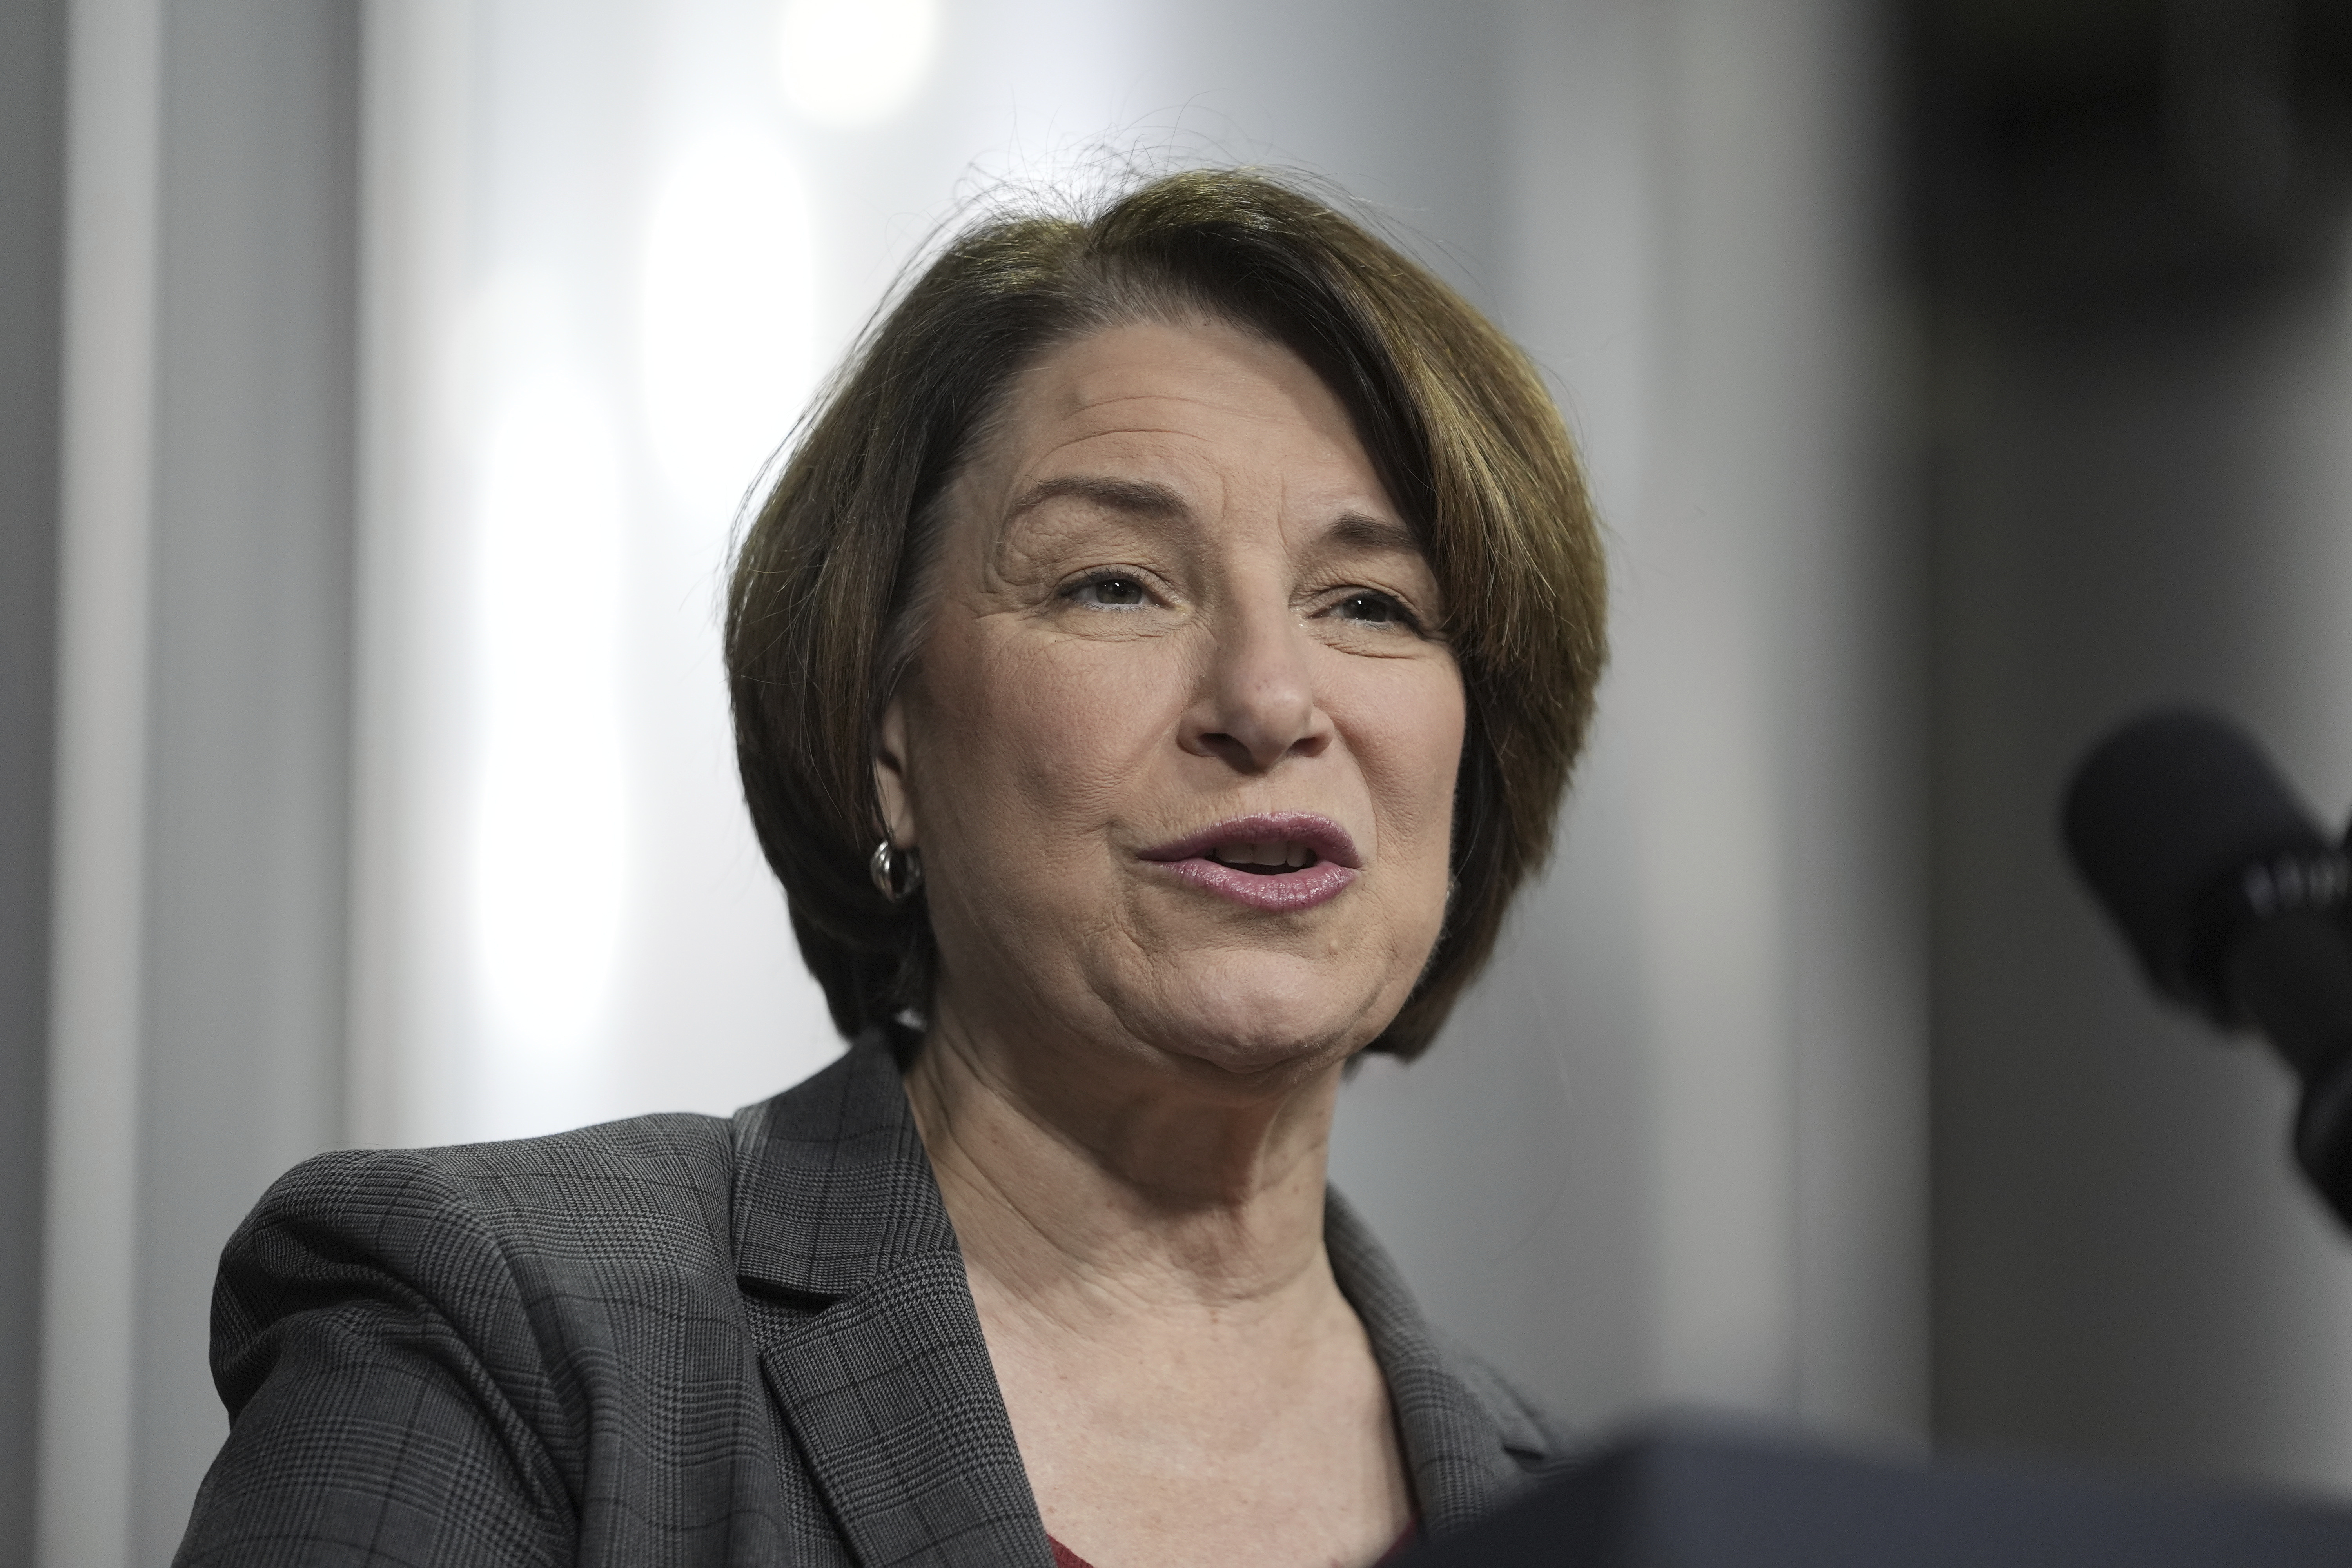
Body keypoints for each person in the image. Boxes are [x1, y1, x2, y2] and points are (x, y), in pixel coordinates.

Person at [174, 168, 1608, 1568]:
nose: (1269, 698)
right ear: (886, 742)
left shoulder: (1608, 1527)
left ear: (1473, 765)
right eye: (1114, 583)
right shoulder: (514, 1337)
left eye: (1370, 604)